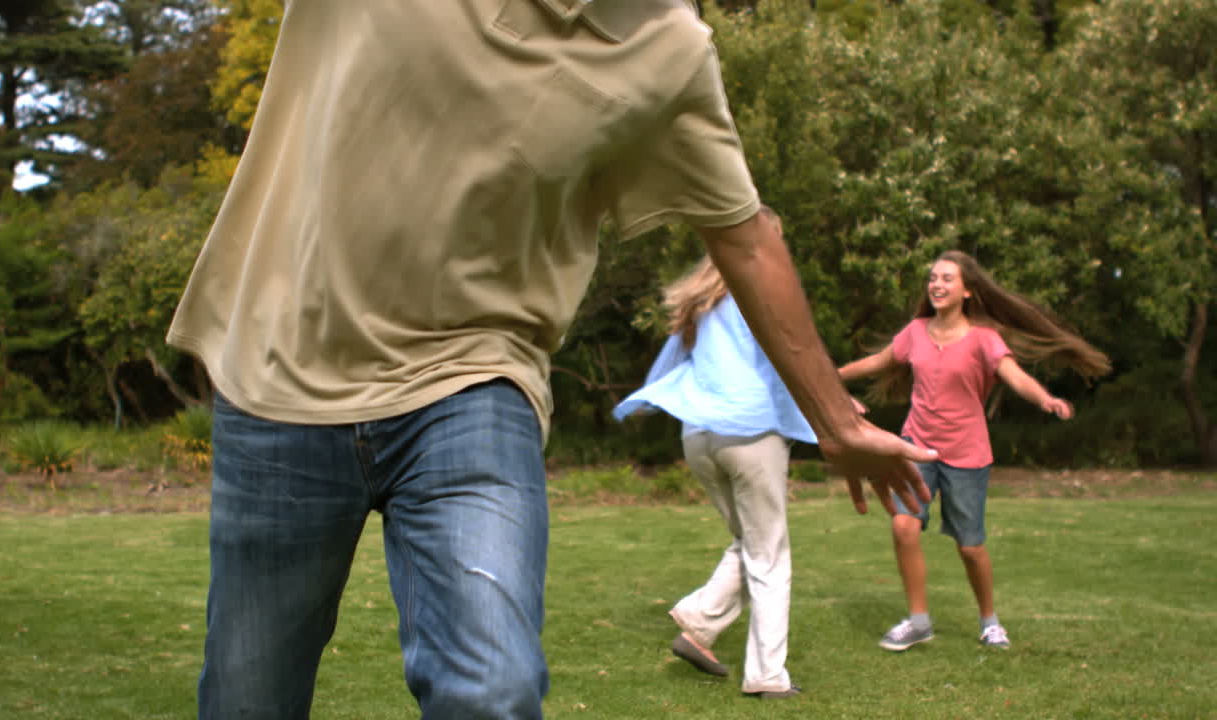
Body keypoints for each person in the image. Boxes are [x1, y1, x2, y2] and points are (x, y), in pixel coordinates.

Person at [167, 1, 934, 718]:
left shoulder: (665, 42)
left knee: (492, 691)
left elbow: (746, 236)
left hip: (472, 382)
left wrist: (836, 424)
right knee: (248, 695)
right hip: (279, 367)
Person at [838, 250, 1111, 653]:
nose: (937, 285)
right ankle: (918, 621)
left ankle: (989, 621)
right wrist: (828, 378)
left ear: (967, 290)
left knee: (969, 546)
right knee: (903, 526)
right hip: (916, 446)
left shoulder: (984, 339)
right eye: (933, 278)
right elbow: (877, 362)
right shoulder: (915, 332)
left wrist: (1045, 399)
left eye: (947, 279)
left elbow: (1015, 377)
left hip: (966, 454)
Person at [613, 252, 817, 700]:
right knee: (769, 555)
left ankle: (700, 624)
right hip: (748, 431)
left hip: (698, 434)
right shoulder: (762, 295)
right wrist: (830, 409)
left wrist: (644, 402)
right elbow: (790, 358)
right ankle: (766, 675)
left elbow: (667, 364)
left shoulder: (700, 302)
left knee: (750, 542)